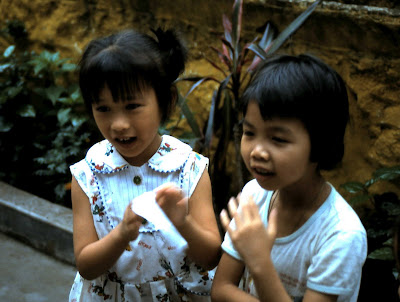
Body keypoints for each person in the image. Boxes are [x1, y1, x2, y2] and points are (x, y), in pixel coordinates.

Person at [68, 28, 221, 302]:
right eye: (103, 108)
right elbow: (86, 265)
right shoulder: (88, 176)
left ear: (166, 101)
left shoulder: (188, 168)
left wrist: (183, 222)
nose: (118, 124)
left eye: (132, 106)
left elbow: (211, 257)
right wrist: (121, 235)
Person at [211, 54, 367, 302]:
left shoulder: (340, 235)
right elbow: (221, 289)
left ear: (320, 145)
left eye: (278, 139)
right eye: (249, 132)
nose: (257, 151)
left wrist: (260, 263)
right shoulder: (254, 197)